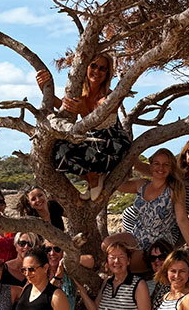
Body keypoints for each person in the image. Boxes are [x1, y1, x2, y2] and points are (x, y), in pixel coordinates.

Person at [36, 53, 129, 200]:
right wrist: (44, 88)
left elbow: (95, 120)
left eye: (102, 68)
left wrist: (82, 110)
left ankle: (95, 177)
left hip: (112, 145)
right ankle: (92, 177)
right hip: (92, 143)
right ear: (86, 67)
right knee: (57, 148)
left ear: (107, 73)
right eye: (93, 66)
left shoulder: (110, 97)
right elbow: (63, 106)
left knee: (76, 148)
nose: (97, 71)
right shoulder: (79, 93)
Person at [118, 149, 189, 268]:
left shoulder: (174, 189)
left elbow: (182, 219)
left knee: (127, 264)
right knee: (106, 244)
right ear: (151, 165)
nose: (161, 168)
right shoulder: (141, 184)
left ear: (171, 168)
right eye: (157, 163)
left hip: (159, 242)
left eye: (166, 164)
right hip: (136, 234)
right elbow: (118, 185)